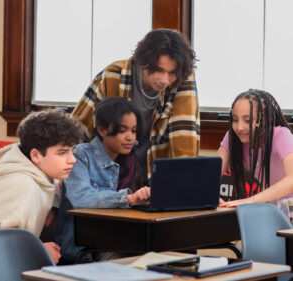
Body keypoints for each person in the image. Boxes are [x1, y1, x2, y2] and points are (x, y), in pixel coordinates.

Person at [72, 28, 200, 182]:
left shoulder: (182, 81)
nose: (164, 80)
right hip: (107, 177)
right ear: (144, 61)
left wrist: (188, 186)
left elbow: (184, 141)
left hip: (156, 177)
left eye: (171, 73)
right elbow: (79, 128)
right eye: (159, 70)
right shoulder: (114, 75)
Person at [56, 97, 151, 264]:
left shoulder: (131, 160)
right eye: (123, 131)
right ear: (102, 129)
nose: (130, 137)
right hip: (83, 247)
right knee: (130, 266)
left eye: (134, 130)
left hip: (118, 240)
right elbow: (81, 198)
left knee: (166, 257)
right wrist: (127, 198)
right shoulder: (80, 155)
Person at [0, 109, 85, 263]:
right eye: (62, 153)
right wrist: (38, 250)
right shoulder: (20, 185)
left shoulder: (26, 164)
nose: (72, 159)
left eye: (72, 151)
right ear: (35, 155)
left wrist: (53, 204)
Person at [218, 89, 293, 219]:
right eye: (235, 120)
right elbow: (212, 173)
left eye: (247, 120)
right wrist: (210, 195)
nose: (239, 127)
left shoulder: (281, 135)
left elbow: (291, 179)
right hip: (276, 207)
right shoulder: (233, 137)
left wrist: (249, 201)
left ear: (265, 119)